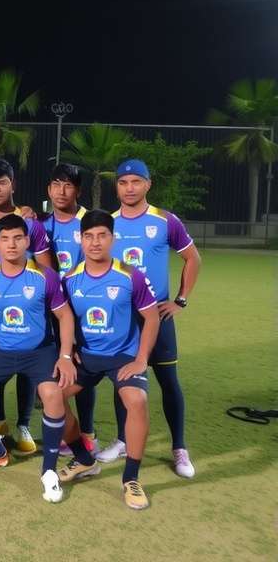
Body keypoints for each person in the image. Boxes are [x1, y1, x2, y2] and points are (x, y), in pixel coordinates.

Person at [94, 159, 201, 479]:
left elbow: (192, 259)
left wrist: (180, 300)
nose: (129, 188)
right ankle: (123, 440)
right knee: (122, 381)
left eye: (135, 182)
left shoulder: (165, 220)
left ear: (147, 185)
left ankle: (178, 448)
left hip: (158, 316)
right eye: (123, 182)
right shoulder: (108, 223)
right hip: (122, 321)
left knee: (169, 382)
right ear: (117, 187)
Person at [0, 214, 76, 503]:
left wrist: (64, 355)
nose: (11, 244)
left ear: (27, 241)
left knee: (52, 395)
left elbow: (64, 316)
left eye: (17, 238)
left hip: (39, 352)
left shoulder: (45, 275)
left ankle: (48, 471)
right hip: (2, 351)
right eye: (5, 239)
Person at [59, 209, 159, 510]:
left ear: (112, 239)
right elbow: (63, 318)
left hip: (122, 357)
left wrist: (141, 358)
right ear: (81, 239)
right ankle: (85, 458)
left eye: (102, 235)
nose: (95, 242)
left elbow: (152, 318)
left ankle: (131, 478)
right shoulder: (70, 279)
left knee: (137, 400)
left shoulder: (131, 275)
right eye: (88, 236)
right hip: (87, 358)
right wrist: (70, 348)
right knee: (52, 396)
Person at [0, 158, 53, 454]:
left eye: (2, 182)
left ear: (13, 184)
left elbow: (46, 269)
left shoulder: (30, 222)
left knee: (27, 369)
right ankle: (0, 420)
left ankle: (24, 424)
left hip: (29, 308)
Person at [38, 163, 96, 457]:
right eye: (56, 185)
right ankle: (62, 426)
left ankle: (87, 432)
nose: (62, 191)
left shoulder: (91, 221)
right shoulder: (41, 224)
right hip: (50, 305)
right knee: (58, 367)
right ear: (48, 189)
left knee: (83, 369)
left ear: (78, 190)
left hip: (84, 306)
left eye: (68, 185)